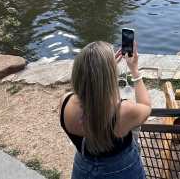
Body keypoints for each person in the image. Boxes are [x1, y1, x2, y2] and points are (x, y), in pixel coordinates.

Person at [60, 41, 152, 178]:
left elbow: (90, 93)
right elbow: (146, 107)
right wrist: (134, 70)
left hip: (83, 170)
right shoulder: (123, 111)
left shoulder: (65, 102)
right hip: (123, 172)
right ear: (109, 76)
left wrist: (104, 69)